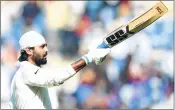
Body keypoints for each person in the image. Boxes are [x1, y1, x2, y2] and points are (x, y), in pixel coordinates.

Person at [9, 31, 111, 109]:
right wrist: (89, 57)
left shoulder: (31, 73)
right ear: (29, 50)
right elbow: (56, 78)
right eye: (42, 47)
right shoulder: (26, 72)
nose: (46, 50)